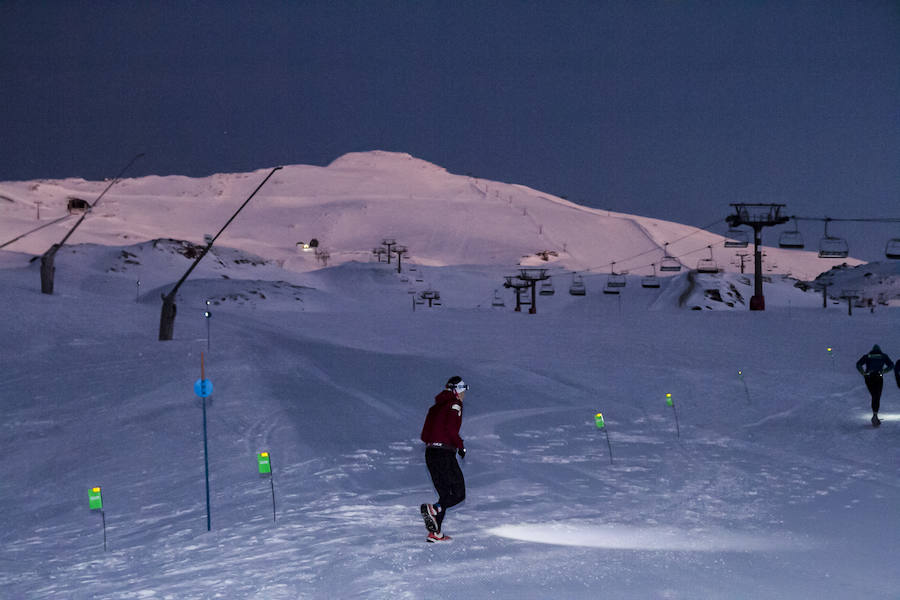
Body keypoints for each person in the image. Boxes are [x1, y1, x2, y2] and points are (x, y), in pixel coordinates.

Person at [419, 375, 468, 542]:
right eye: (462, 390)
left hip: (430, 454)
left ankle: (435, 532)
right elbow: (451, 429)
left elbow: (424, 435)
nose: (463, 394)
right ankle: (435, 509)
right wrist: (460, 446)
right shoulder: (455, 404)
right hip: (444, 454)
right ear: (455, 390)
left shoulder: (435, 408)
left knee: (445, 494)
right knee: (459, 494)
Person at [856, 345, 893, 427]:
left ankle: (875, 416)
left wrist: (863, 373)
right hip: (878, 377)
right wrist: (883, 371)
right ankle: (875, 415)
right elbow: (891, 365)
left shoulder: (867, 356)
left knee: (874, 395)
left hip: (868, 377)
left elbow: (858, 364)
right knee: (876, 396)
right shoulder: (883, 356)